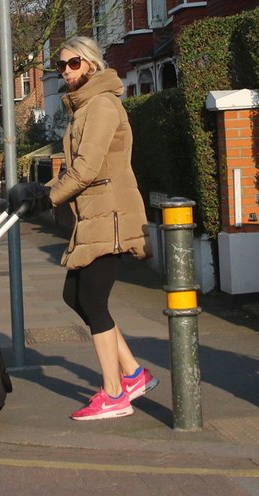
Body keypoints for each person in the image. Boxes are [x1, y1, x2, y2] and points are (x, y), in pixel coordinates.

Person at [9, 36, 155, 420]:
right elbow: (77, 169)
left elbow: (86, 169)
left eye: (73, 63)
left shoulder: (102, 106)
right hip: (95, 216)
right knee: (75, 295)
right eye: (61, 66)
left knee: (91, 300)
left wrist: (47, 199)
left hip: (111, 216)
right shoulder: (85, 108)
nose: (66, 71)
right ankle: (133, 374)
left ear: (91, 63)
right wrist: (43, 191)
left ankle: (114, 394)